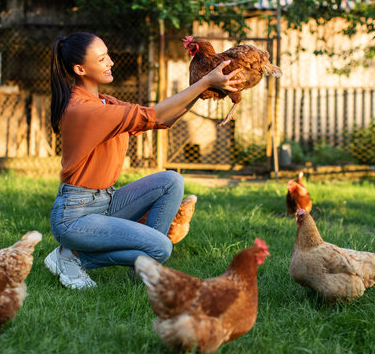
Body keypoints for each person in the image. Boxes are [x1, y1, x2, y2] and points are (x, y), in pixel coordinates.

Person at [44, 32, 243, 289]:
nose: (111, 63)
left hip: (105, 201)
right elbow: (155, 113)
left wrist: (206, 87)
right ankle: (70, 256)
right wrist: (205, 82)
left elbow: (162, 119)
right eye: (102, 59)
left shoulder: (104, 102)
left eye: (108, 56)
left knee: (171, 180)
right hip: (75, 216)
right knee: (161, 247)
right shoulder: (86, 110)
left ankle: (142, 271)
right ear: (80, 69)